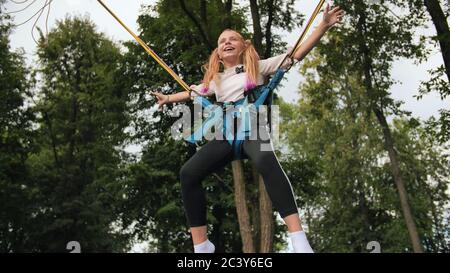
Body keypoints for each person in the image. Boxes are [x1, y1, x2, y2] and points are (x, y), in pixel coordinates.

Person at [151, 4, 344, 253]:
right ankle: (202, 245)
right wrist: (168, 99)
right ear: (218, 53)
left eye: (233, 39)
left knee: (266, 160)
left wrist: (323, 25)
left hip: (252, 125)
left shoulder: (257, 67)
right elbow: (191, 92)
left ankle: (298, 239)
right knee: (188, 174)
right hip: (225, 133)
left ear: (243, 46)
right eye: (222, 41)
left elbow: (296, 54)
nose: (227, 42)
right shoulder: (215, 80)